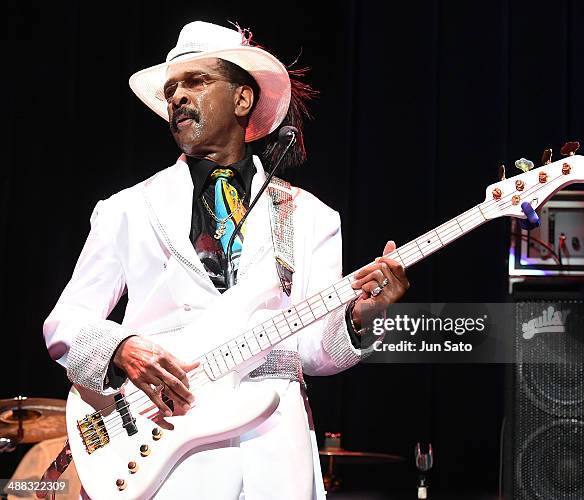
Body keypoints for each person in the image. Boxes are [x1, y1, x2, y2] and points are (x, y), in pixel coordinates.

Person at [43, 20, 410, 499]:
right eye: (171, 89)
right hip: (164, 443)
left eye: (196, 82)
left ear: (242, 100)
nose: (177, 97)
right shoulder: (126, 209)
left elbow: (315, 350)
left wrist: (363, 319)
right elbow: (64, 321)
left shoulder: (310, 215)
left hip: (274, 449)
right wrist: (120, 348)